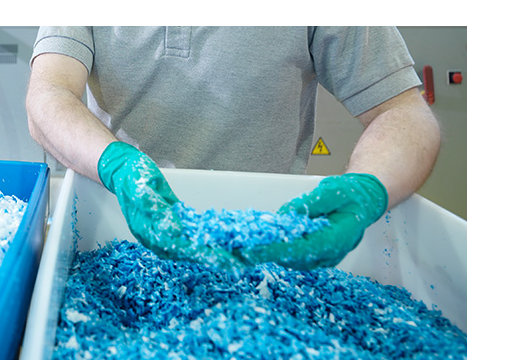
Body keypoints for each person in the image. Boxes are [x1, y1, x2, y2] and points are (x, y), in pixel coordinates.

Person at [25, 27, 440, 270]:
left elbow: (402, 110)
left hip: (273, 246)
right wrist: (118, 165)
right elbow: (48, 95)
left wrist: (368, 187)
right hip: (117, 230)